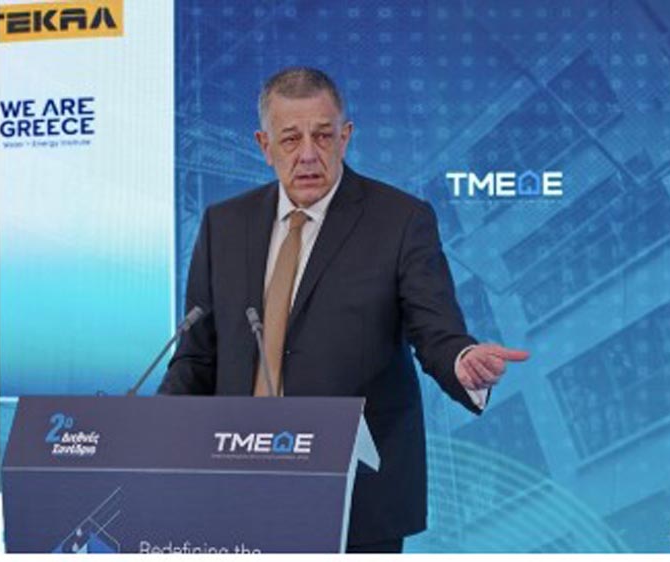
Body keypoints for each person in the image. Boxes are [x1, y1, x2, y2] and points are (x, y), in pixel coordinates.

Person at [158, 67, 529, 553]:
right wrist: (152, 433)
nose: (308, 154)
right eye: (290, 139)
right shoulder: (224, 225)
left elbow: (435, 327)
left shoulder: (399, 220)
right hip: (238, 490)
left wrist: (462, 360)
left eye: (323, 135)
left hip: (356, 495)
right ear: (264, 146)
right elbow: (197, 356)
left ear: (346, 136)